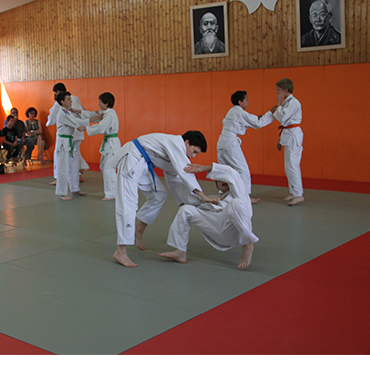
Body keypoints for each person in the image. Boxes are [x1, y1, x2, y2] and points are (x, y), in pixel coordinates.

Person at [108, 130, 218, 268]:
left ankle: (139, 229)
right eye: (194, 151)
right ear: (187, 142)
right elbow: (185, 172)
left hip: (142, 163)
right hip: (132, 158)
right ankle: (121, 250)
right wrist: (203, 196)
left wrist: (192, 202)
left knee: (159, 195)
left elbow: (176, 179)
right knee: (128, 203)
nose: (193, 156)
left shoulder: (174, 151)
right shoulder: (175, 143)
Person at [159, 162, 259, 269]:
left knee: (236, 203)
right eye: (219, 181)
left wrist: (203, 168)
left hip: (233, 232)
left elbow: (232, 173)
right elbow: (189, 198)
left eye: (224, 179)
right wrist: (207, 200)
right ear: (217, 187)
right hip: (217, 231)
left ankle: (247, 244)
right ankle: (180, 252)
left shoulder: (239, 193)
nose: (222, 181)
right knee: (185, 209)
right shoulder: (213, 199)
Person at [217, 91, 276, 203]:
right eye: (246, 100)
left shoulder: (232, 111)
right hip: (230, 143)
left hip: (222, 143)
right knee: (243, 170)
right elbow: (258, 123)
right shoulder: (239, 112)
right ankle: (245, 197)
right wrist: (270, 113)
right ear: (240, 102)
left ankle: (224, 194)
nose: (248, 102)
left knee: (226, 170)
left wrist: (258, 118)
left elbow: (246, 122)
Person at [54, 91, 101, 200]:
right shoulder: (62, 113)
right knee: (63, 168)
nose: (71, 101)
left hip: (69, 142)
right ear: (62, 101)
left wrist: (95, 117)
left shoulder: (67, 111)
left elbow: (79, 119)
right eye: (68, 99)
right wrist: (95, 119)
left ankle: (75, 189)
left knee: (73, 166)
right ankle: (62, 193)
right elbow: (78, 123)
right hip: (63, 143)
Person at [273, 78, 304, 206]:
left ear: (286, 90)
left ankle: (298, 194)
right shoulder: (287, 102)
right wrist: (280, 140)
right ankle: (293, 192)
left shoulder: (293, 102)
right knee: (288, 166)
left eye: (279, 90)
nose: (277, 92)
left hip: (293, 135)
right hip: (288, 134)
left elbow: (283, 118)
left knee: (292, 165)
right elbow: (283, 121)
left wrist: (278, 104)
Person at [86, 92, 121, 201]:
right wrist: (79, 112)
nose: (98, 104)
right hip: (108, 143)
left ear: (106, 103)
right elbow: (95, 115)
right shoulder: (106, 113)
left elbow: (101, 127)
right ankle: (115, 189)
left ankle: (111, 193)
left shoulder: (110, 114)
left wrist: (86, 128)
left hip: (112, 143)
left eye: (100, 102)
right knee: (103, 166)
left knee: (108, 168)